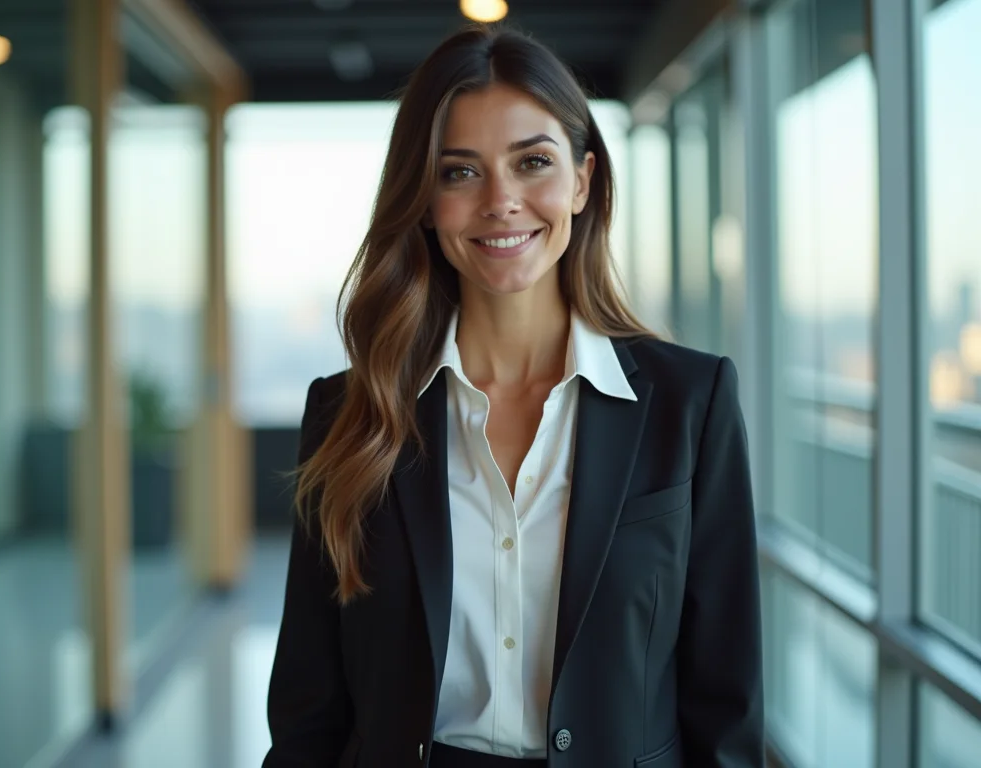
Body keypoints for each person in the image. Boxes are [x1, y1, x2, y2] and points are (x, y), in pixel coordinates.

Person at [263, 24, 764, 768]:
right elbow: (308, 713)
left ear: (583, 181)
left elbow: (727, 706)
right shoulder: (351, 416)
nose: (501, 201)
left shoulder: (691, 403)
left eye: (533, 162)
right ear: (424, 201)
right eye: (460, 172)